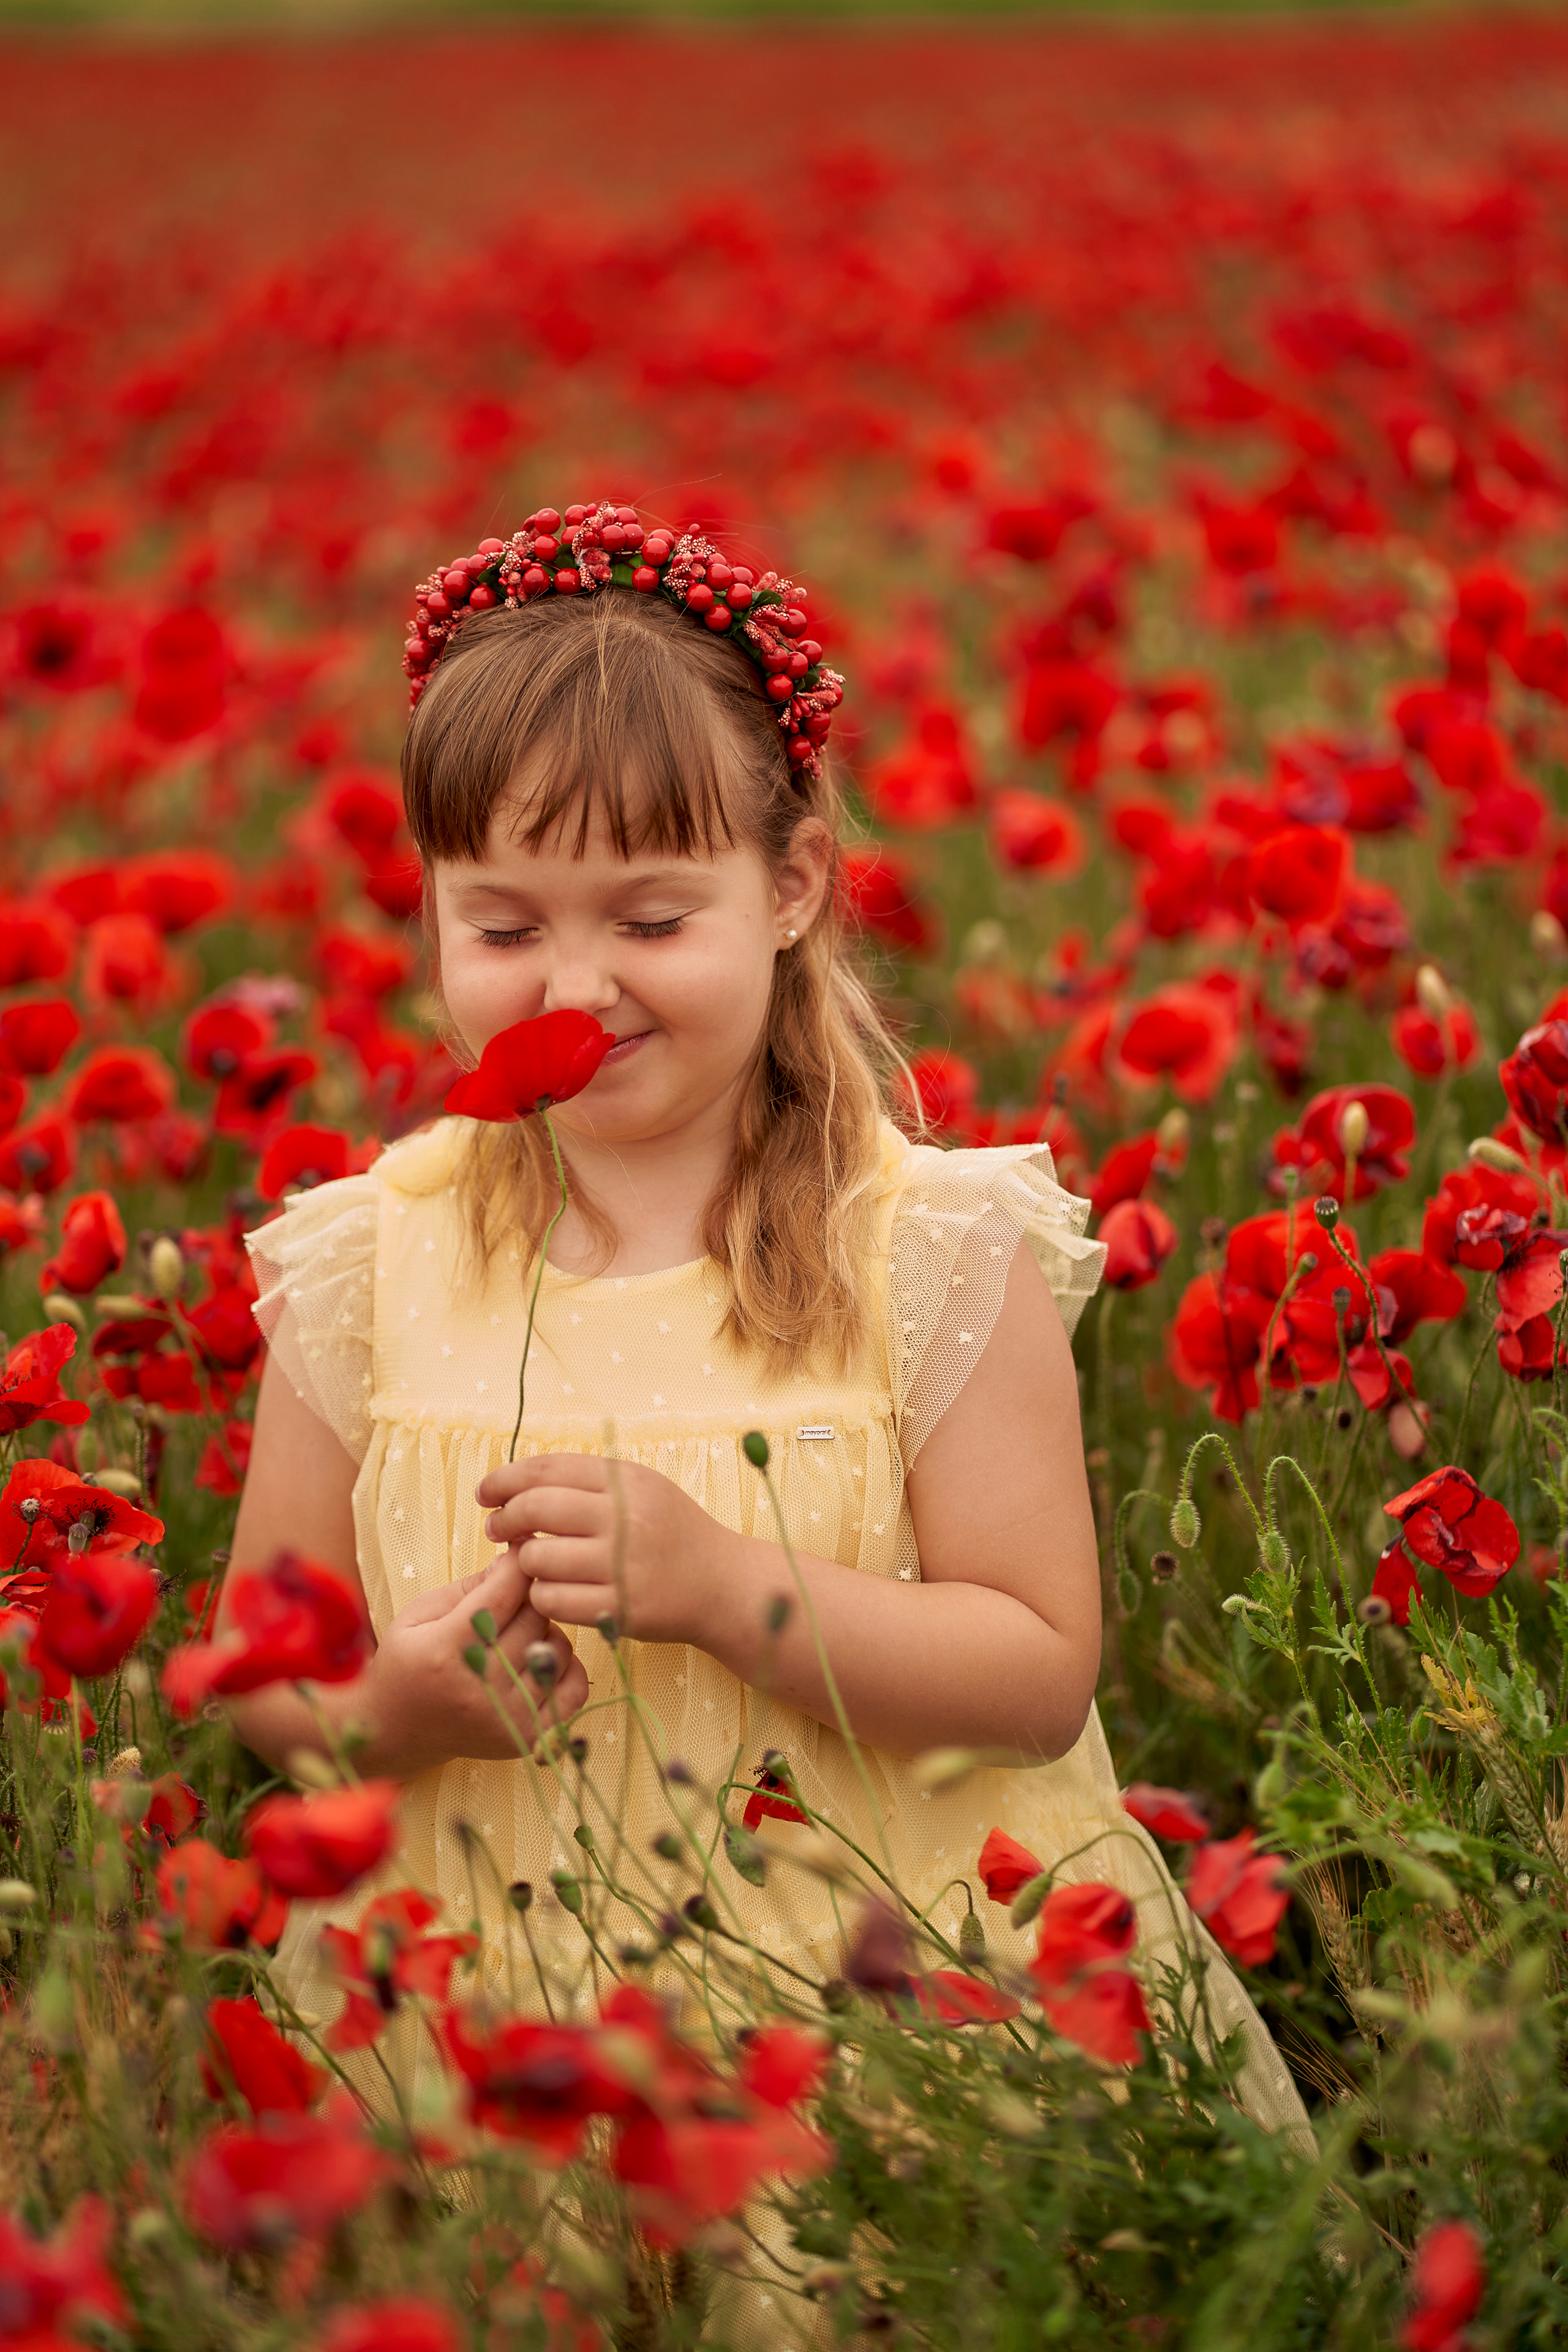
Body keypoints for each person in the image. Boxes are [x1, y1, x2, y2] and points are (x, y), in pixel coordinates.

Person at [227, 502, 1306, 2150]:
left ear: (794, 882)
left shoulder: (931, 1250)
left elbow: (1037, 1671)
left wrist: (734, 1597)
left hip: (887, 1997)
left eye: (653, 921)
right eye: (502, 926)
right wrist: (392, 1713)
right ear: (430, 905)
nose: (574, 987)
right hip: (488, 2015)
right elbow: (262, 1669)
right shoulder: (372, 1260)